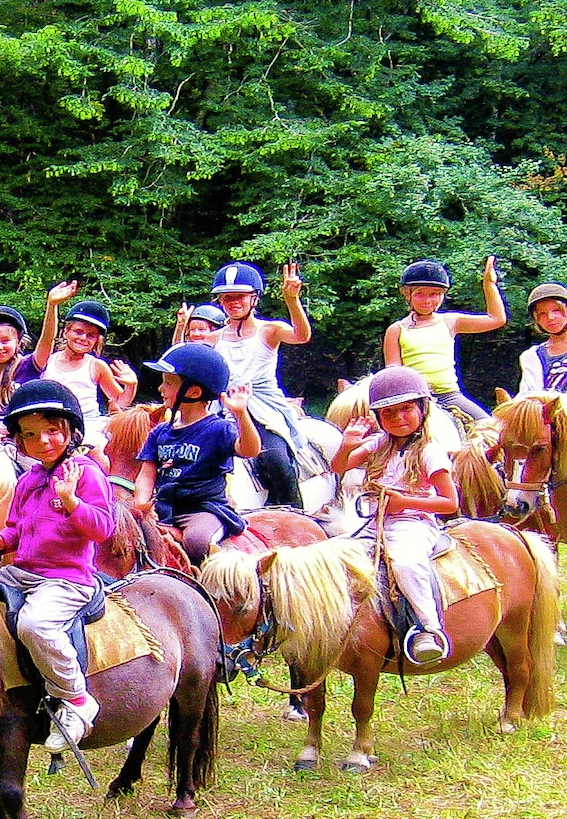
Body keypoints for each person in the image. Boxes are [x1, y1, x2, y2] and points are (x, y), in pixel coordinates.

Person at [0, 380, 117, 751]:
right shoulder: (27, 481)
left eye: (52, 431)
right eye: (31, 435)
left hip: (67, 578)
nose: (43, 442)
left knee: (36, 625)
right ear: (20, 441)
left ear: (70, 431)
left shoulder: (85, 473)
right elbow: (17, 529)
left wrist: (71, 502)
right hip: (22, 571)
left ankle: (75, 698)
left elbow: (103, 529)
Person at [329, 366, 458, 666]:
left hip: (413, 522)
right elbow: (339, 467)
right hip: (373, 522)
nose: (398, 419)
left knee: (405, 562)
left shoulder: (430, 452)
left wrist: (405, 502)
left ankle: (429, 627)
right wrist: (348, 442)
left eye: (406, 410)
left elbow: (449, 503)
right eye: (389, 414)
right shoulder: (379, 444)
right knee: (338, 555)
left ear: (422, 409)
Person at [132, 344, 260, 565]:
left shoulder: (219, 429)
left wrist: (241, 415)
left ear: (193, 392)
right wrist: (142, 505)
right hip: (164, 507)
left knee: (197, 541)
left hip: (203, 509)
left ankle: (210, 583)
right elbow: (146, 474)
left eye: (168, 383)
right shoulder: (160, 432)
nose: (161, 388)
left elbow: (250, 450)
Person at [211, 261, 314, 507]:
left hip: (263, 410)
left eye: (240, 297)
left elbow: (302, 336)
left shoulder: (269, 330)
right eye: (226, 298)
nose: (233, 303)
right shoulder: (213, 339)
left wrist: (292, 300)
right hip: (227, 411)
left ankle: (295, 510)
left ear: (254, 298)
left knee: (276, 459)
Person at [382, 257, 507, 423]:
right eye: (420, 294)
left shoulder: (450, 322)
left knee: (490, 428)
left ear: (442, 296)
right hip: (414, 399)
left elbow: (496, 319)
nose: (427, 300)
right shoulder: (397, 329)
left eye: (434, 294)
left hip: (449, 396)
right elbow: (394, 372)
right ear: (407, 294)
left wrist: (489, 285)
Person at [36, 292, 136, 446]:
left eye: (90, 335)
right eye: (78, 332)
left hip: (88, 423)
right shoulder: (48, 360)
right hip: (51, 421)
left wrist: (131, 385)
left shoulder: (96, 366)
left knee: (99, 451)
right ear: (65, 332)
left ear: (97, 340)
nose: (83, 338)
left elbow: (120, 402)